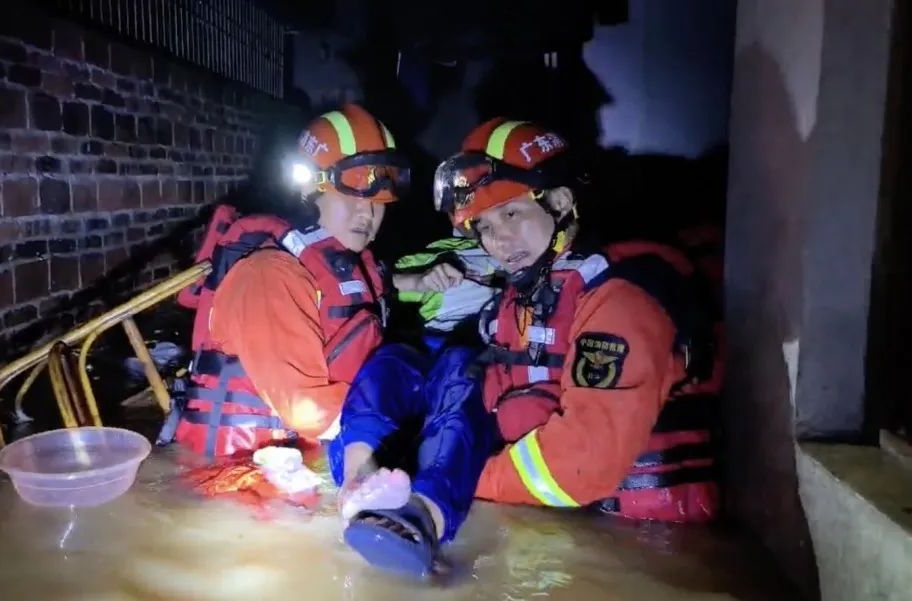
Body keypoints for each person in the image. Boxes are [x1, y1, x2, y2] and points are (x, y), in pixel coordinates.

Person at [330, 118, 721, 580]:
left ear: (559, 202)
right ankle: (406, 501)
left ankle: (427, 508)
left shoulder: (623, 296)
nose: (497, 240)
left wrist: (467, 479)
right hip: (558, 522)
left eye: (510, 214)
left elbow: (580, 465)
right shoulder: (528, 293)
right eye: (484, 226)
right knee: (440, 367)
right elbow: (486, 397)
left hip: (646, 543)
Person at [161, 103, 409, 458]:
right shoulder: (269, 274)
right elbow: (308, 410)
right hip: (238, 477)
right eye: (350, 195)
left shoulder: (329, 265)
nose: (367, 213)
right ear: (309, 194)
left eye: (378, 201)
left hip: (297, 460)